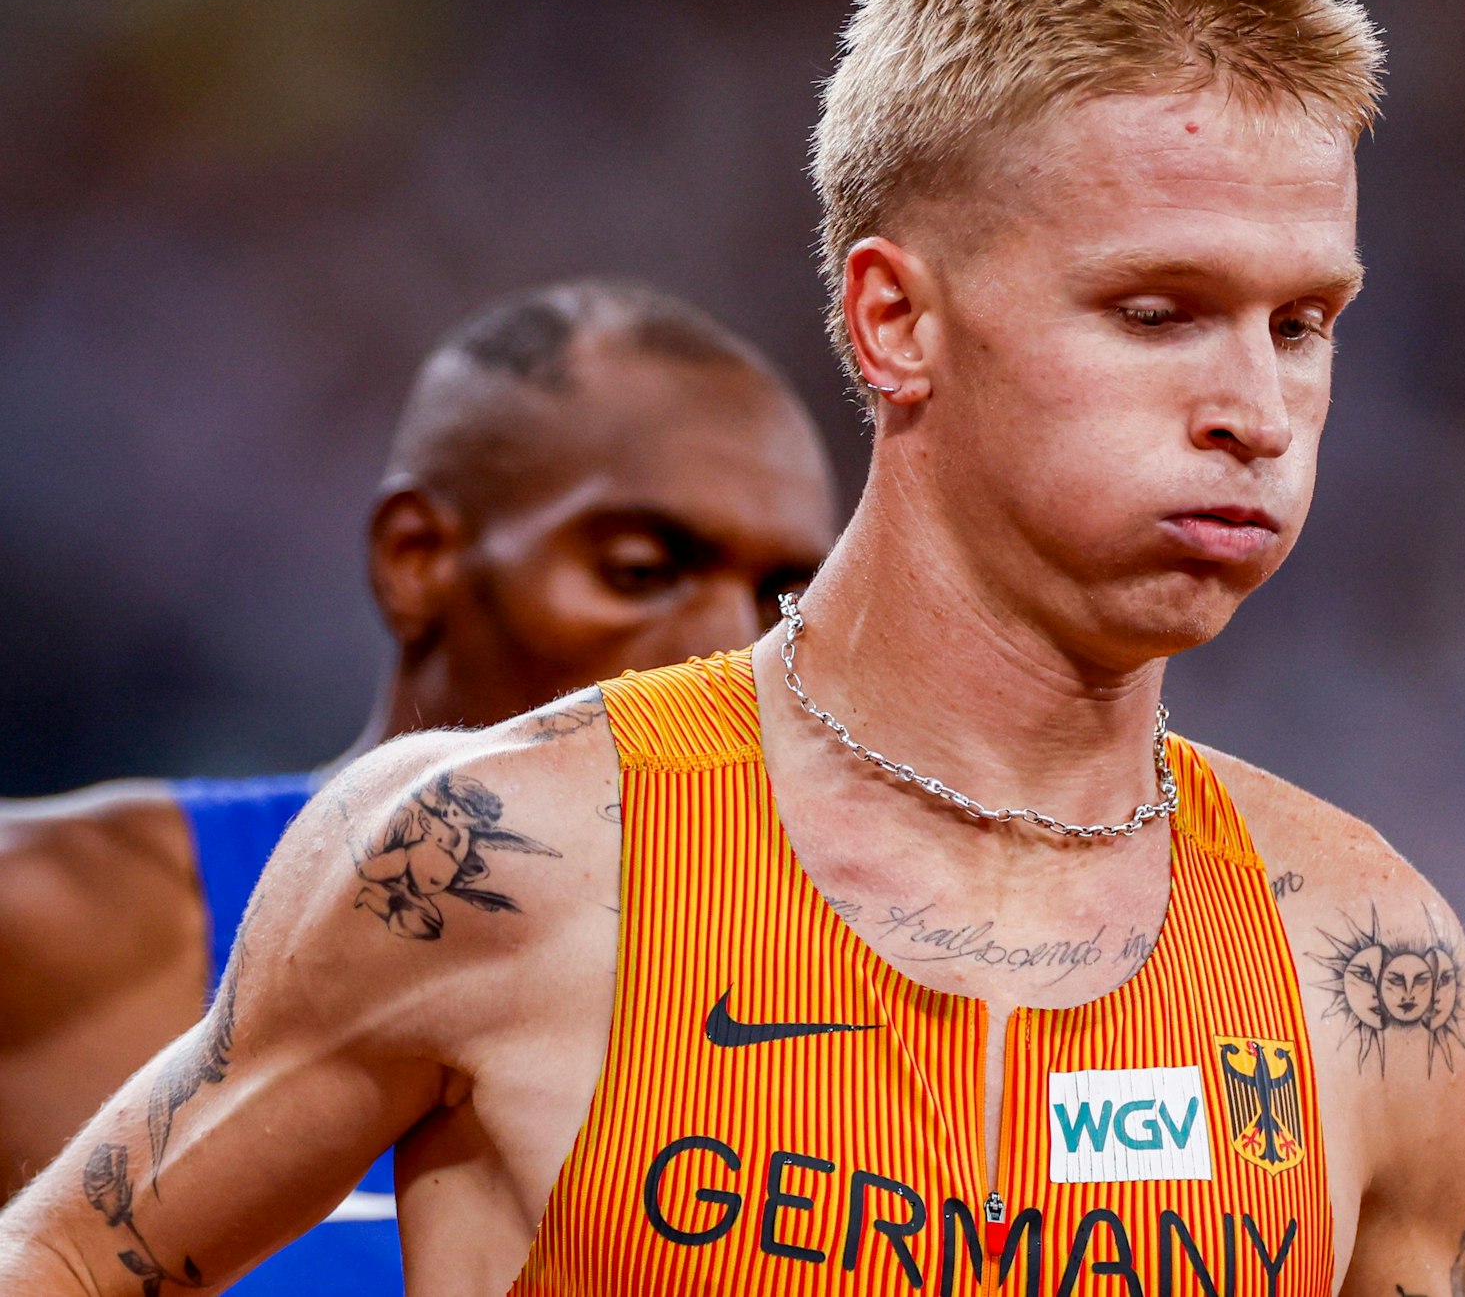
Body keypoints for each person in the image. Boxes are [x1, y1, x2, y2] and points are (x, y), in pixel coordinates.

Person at [0, 0, 1465, 1296]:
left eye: (1303, 322)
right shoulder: (506, 860)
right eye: (1157, 312)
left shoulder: (1363, 961)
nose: (1256, 405)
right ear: (896, 321)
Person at [0, 278, 838, 1293]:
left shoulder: (822, 1019)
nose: (725, 650)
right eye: (639, 569)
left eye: (781, 601)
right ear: (417, 559)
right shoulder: (58, 927)